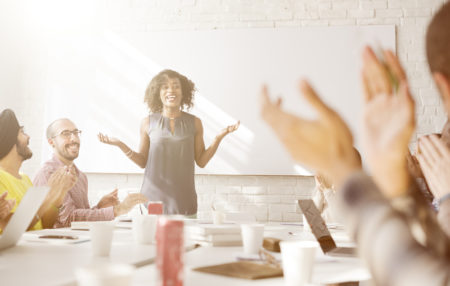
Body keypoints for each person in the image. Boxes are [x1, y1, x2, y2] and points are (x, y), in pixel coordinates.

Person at [260, 43, 450, 284]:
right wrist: (328, 185)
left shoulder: (355, 195)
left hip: (351, 257)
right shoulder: (324, 194)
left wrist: (341, 174)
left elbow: (419, 270)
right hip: (338, 255)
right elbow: (314, 228)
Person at [98, 69, 239, 215]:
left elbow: (201, 161)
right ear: (158, 93)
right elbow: (142, 161)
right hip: (152, 201)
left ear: (183, 92)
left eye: (176, 86)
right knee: (152, 238)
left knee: (184, 238)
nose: (171, 90)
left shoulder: (195, 123)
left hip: (185, 202)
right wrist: (120, 144)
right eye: (165, 87)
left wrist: (219, 137)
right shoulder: (147, 123)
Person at [34, 118, 148, 228]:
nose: (74, 138)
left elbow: (79, 219)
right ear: (51, 142)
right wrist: (118, 209)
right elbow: (68, 219)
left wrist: (99, 207)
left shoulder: (81, 176)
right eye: (66, 133)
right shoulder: (47, 174)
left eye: (76, 133)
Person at [0, 109, 77, 230]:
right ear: (10, 139)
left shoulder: (25, 179)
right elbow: (15, 228)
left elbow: (44, 225)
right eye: (22, 132)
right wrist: (49, 196)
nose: (28, 136)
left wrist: (59, 195)